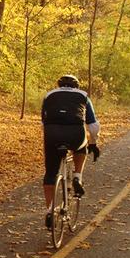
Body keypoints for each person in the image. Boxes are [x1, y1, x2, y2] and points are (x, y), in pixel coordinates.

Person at [41, 75, 100, 229]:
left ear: (58, 84)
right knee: (82, 147)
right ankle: (77, 177)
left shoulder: (49, 95)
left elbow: (44, 120)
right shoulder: (83, 96)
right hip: (76, 134)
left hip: (52, 134)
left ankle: (49, 210)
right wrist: (94, 143)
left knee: (50, 173)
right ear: (76, 86)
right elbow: (93, 125)